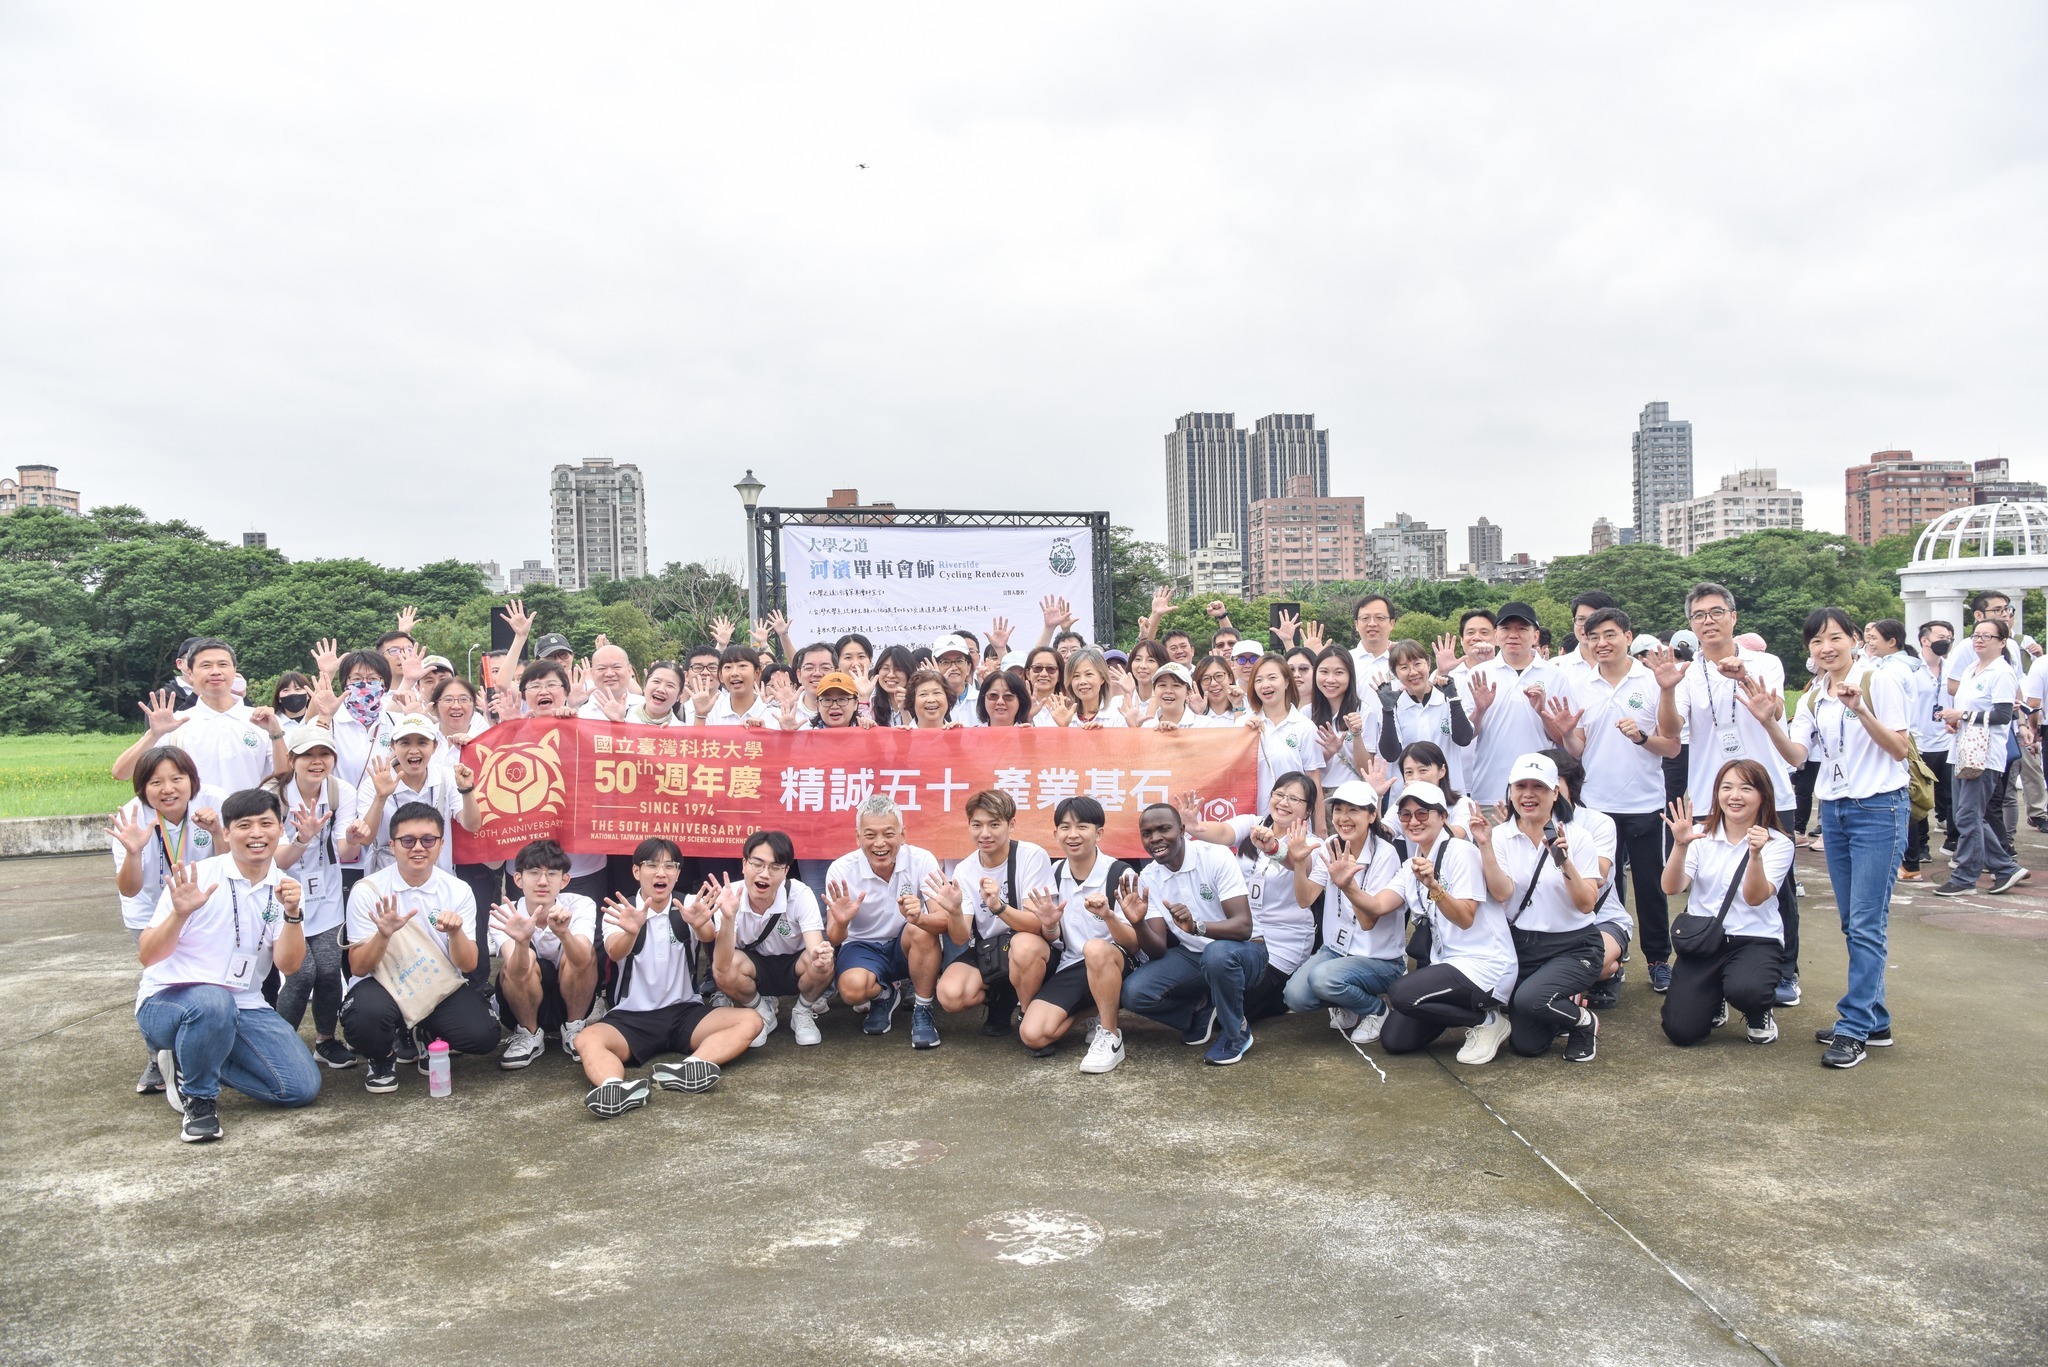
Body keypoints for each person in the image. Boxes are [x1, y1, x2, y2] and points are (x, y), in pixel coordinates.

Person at [1740, 608, 1912, 1068]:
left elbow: (1899, 749)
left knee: (1865, 922)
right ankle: (1874, 1021)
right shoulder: (1815, 694)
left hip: (1879, 808)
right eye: (1816, 642)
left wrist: (1860, 710)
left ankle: (1854, 1026)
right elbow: (1797, 756)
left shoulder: (1878, 681)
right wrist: (1767, 723)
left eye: (1835, 638)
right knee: (1853, 923)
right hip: (1833, 810)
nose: (1826, 648)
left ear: (1855, 639)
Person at [135, 787, 321, 1143]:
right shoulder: (198, 878)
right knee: (212, 1001)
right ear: (225, 832)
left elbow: (290, 965)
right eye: (244, 825)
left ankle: (189, 1062)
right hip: (169, 1002)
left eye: (266, 824)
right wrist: (179, 913)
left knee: (299, 1087)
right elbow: (148, 955)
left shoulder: (284, 887)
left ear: (279, 828)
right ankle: (199, 1100)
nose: (256, 834)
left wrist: (293, 915)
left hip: (244, 1005)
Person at [1649, 582, 1802, 1007]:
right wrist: (1664, 689)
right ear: (1691, 625)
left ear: (1734, 617)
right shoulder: (1685, 674)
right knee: (1707, 883)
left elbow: (1769, 706)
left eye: (1717, 612)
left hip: (1769, 791)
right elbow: (1671, 732)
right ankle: (1712, 965)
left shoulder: (1764, 662)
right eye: (1699, 615)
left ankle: (1785, 969)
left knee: (1779, 885)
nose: (1709, 621)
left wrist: (1743, 676)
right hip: (1709, 794)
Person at [574, 843, 763, 1115]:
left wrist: (700, 923)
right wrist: (631, 930)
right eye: (652, 865)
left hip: (685, 1013)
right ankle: (615, 1087)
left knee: (751, 1020)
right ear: (636, 871)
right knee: (586, 1040)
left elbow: (709, 935)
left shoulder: (689, 904)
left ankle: (690, 1068)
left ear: (677, 873)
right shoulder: (622, 910)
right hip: (631, 1017)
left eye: (669, 866)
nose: (660, 873)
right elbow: (615, 952)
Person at [1555, 606, 1678, 993]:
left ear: (1628, 636)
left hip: (1644, 803)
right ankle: (1611, 959)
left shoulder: (1652, 680)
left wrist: (1641, 737)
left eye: (1609, 635)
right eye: (1593, 637)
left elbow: (1671, 747)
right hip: (1595, 804)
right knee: (1602, 886)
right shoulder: (1579, 684)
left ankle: (1658, 960)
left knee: (1650, 886)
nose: (1601, 643)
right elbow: (1579, 747)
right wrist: (1564, 733)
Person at [340, 803, 500, 1094]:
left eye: (428, 840)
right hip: (382, 983)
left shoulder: (457, 889)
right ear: (392, 845)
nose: (418, 848)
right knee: (363, 1019)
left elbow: (468, 965)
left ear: (441, 843)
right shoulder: (367, 890)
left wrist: (455, 934)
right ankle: (381, 1057)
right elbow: (358, 967)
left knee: (483, 1036)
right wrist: (383, 935)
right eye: (407, 840)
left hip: (434, 982)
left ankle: (427, 1031)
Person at [1369, 780, 1517, 1063]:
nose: (1414, 821)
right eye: (1406, 815)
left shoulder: (1461, 852)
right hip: (1447, 965)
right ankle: (1478, 1017)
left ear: (1443, 816)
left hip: (1484, 965)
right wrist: (1348, 885)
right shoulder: (1412, 862)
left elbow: (1464, 918)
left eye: (1423, 813)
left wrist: (1435, 889)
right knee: (1395, 1040)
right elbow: (1378, 906)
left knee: (1401, 993)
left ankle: (1486, 1022)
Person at [108, 746, 227, 1094]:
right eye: (156, 781)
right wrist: (133, 851)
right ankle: (156, 1054)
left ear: (192, 780)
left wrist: (219, 833)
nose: (168, 788)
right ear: (142, 788)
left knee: (205, 981)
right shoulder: (131, 817)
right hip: (148, 914)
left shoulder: (214, 802)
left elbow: (229, 864)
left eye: (177, 778)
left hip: (202, 909)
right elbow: (129, 889)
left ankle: (201, 1051)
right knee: (160, 980)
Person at [1471, 754, 1603, 1062]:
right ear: (1510, 790)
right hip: (1523, 946)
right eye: (1521, 786)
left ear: (1555, 793)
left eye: (1539, 787)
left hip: (1574, 945)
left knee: (1532, 999)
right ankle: (1555, 1003)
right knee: (1527, 1046)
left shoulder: (1578, 837)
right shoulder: (1499, 836)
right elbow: (1502, 892)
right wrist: (1486, 846)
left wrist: (1564, 861)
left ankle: (1584, 1022)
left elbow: (1586, 904)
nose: (1528, 794)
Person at [1176, 772, 1327, 1040]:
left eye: (1294, 798)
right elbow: (1222, 832)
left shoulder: (1314, 844)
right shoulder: (1252, 824)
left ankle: (1278, 996)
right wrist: (1192, 826)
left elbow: (1296, 863)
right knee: (1219, 993)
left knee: (1233, 1011)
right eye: (1279, 794)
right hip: (1244, 931)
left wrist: (1273, 849)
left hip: (1283, 941)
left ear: (1307, 808)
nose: (1284, 802)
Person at [1659, 762, 1797, 1049]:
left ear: (1763, 796)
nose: (1735, 796)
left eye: (1746, 788)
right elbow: (1671, 888)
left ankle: (1759, 1012)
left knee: (1747, 990)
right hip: (1704, 939)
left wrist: (1755, 855)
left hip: (1754, 939)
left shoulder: (1778, 843)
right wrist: (1680, 845)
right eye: (1727, 787)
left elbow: (1755, 897)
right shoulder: (1699, 835)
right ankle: (1713, 998)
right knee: (1681, 1032)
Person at [1117, 803, 1260, 1066]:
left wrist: (1196, 927)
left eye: (1164, 829)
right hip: (1194, 956)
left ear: (1182, 830)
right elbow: (1158, 949)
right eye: (1147, 833)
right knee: (1135, 993)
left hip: (1244, 951)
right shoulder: (1148, 876)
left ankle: (1236, 1034)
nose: (1155, 839)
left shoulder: (1215, 856)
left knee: (1217, 954)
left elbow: (1243, 927)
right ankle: (1199, 1013)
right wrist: (1138, 924)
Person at [923, 790, 1058, 1045]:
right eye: (977, 825)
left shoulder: (1031, 856)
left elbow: (1037, 925)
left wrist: (998, 907)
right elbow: (961, 936)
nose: (985, 833)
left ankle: (1028, 1013)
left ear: (1011, 824)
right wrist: (952, 911)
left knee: (1023, 945)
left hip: (1033, 947)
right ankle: (1002, 995)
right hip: (991, 951)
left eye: (994, 824)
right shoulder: (964, 869)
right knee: (950, 996)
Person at [1017, 797, 1140, 1072]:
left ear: (1099, 833)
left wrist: (1108, 916)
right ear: (1055, 834)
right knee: (1032, 1035)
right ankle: (1096, 1009)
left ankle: (1110, 1036)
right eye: (1064, 827)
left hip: (1115, 961)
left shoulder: (1119, 873)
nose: (1072, 835)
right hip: (1072, 964)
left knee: (1095, 948)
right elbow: (1053, 938)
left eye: (1082, 827)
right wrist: (1049, 925)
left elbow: (1134, 944)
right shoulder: (1054, 871)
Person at [268, 728, 364, 1070]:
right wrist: (302, 839)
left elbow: (343, 851)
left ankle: (325, 1040)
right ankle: (281, 1046)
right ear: (291, 759)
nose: (317, 762)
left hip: (325, 895)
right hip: (281, 897)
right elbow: (274, 859)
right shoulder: (272, 796)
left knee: (327, 969)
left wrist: (353, 839)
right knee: (301, 972)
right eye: (308, 755)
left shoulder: (341, 792)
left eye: (324, 754)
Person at [1282, 780, 1405, 1043]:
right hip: (1336, 950)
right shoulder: (1330, 844)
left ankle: (1377, 1010)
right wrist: (1300, 861)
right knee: (1295, 996)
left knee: (1323, 979)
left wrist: (1348, 884)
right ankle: (1351, 1002)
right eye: (1338, 810)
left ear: (1372, 815)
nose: (1343, 818)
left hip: (1380, 960)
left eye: (1354, 810)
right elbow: (1305, 899)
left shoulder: (1386, 854)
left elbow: (1368, 922)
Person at [822, 796, 943, 1038]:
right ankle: (885, 995)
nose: (880, 843)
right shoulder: (841, 869)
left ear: (903, 834)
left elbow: (944, 921)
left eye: (889, 833)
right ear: (857, 837)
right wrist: (842, 920)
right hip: (862, 946)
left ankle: (923, 1008)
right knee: (852, 990)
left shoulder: (922, 860)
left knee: (921, 929)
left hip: (905, 943)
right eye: (869, 835)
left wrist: (919, 917)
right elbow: (835, 938)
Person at [114, 638, 287, 795]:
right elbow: (121, 773)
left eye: (223, 664)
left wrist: (276, 734)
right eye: (206, 666)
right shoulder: (178, 723)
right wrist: (154, 734)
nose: (215, 672)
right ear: (190, 672)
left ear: (235, 671)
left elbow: (286, 778)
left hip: (250, 824)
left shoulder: (263, 721)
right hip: (197, 825)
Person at [710, 830, 834, 1047]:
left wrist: (822, 955)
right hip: (754, 967)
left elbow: (815, 946)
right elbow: (721, 966)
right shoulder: (730, 895)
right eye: (757, 864)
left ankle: (802, 1011)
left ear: (786, 870)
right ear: (744, 864)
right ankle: (760, 1011)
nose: (765, 873)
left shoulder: (800, 894)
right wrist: (728, 918)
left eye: (775, 867)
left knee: (823, 962)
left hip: (793, 965)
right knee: (726, 966)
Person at [1933, 616, 2025, 900]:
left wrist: (1962, 715)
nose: (1980, 640)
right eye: (1976, 635)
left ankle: (1966, 876)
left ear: (2002, 643)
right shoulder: (1972, 668)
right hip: (1963, 749)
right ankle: (2004, 867)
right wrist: (1955, 720)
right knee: (1966, 814)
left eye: (1987, 636)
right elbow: (1966, 709)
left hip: (1984, 755)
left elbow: (2002, 715)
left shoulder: (2002, 672)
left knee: (1968, 815)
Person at [487, 839, 600, 1067]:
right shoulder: (503, 914)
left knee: (581, 952)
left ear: (564, 880)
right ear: (518, 879)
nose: (542, 881)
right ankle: (528, 1034)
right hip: (521, 1001)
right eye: (534, 872)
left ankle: (574, 1027)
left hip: (572, 998)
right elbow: (516, 972)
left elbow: (582, 960)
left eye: (552, 874)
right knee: (523, 959)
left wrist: (564, 934)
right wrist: (521, 942)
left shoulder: (581, 904)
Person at [348, 715, 481, 876]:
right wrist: (381, 797)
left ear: (434, 746)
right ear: (392, 746)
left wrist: (466, 791)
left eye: (422, 742)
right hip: (388, 880)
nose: (413, 750)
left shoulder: (446, 777)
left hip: (437, 878)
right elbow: (366, 839)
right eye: (405, 743)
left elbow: (472, 825)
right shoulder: (373, 784)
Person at [1466, 602, 1564, 805]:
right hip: (1489, 792)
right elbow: (1467, 735)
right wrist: (1480, 709)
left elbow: (1562, 739)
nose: (1513, 635)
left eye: (1522, 629)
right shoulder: (1479, 674)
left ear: (1535, 635)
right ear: (1496, 634)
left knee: (1541, 838)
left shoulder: (1555, 676)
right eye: (1506, 629)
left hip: (1539, 791)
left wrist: (1541, 712)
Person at [1375, 638, 1474, 797]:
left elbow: (1464, 739)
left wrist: (1454, 699)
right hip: (1409, 796)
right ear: (1395, 673)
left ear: (1428, 664)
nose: (1413, 672)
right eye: (1404, 667)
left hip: (1450, 794)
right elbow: (1390, 754)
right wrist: (1387, 710)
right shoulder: (1394, 706)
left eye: (1417, 664)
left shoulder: (1446, 697)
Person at [1903, 620, 1957, 876]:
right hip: (1919, 741)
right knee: (1920, 796)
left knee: (1951, 795)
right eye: (1940, 636)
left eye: (1949, 636)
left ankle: (1953, 841)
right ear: (1925, 640)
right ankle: (1921, 846)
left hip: (1947, 740)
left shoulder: (1954, 668)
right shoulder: (1913, 669)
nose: (1945, 640)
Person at [1243, 653, 1322, 815]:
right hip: (1252, 822)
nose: (1265, 685)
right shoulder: (1243, 726)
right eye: (1258, 680)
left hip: (1293, 824)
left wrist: (1320, 829)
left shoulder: (1305, 727)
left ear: (1287, 681)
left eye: (1272, 678)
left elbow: (1314, 781)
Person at [1307, 646, 1372, 790]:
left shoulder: (1364, 712)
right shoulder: (1305, 714)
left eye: (1339, 673)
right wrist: (1329, 752)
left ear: (1350, 676)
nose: (1330, 679)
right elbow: (1303, 766)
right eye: (1324, 672)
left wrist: (1357, 734)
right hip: (1316, 793)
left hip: (1352, 795)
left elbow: (1366, 770)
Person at [1398, 742, 1480, 838]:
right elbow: (1383, 832)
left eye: (1423, 770)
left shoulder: (1463, 804)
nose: (1416, 778)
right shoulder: (1404, 805)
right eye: (1409, 772)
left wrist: (1427, 795)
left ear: (1442, 771)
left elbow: (1456, 836)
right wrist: (1378, 797)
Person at [1042, 647, 1126, 728]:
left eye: (1089, 674)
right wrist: (1063, 727)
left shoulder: (1117, 714)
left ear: (1102, 678)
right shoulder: (1059, 713)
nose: (1082, 681)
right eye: (1076, 676)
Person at [930, 634, 981, 724]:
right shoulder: (930, 704)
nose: (953, 667)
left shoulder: (982, 700)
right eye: (946, 662)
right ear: (935, 666)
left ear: (968, 667)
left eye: (959, 661)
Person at [1139, 662, 1207, 729]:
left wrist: (1177, 735)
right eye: (1162, 685)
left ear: (1188, 693)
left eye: (1176, 685)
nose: (1168, 691)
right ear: (1154, 691)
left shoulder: (1204, 725)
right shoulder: (1145, 727)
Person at [1350, 594, 1395, 687]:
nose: (1372, 624)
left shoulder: (1404, 659)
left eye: (1380, 618)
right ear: (1356, 624)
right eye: (1365, 618)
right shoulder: (1345, 660)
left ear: (1392, 623)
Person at [1192, 655, 1244, 722]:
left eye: (1219, 676)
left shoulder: (1248, 708)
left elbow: (1243, 731)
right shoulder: (1191, 715)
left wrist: (1237, 706)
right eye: (1206, 678)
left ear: (1230, 678)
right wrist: (1198, 714)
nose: (1213, 684)